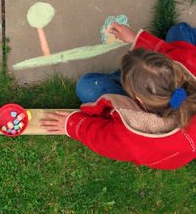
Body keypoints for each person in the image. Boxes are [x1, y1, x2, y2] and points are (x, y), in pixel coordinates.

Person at [40, 22, 196, 170]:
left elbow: (100, 137)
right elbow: (173, 54)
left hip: (169, 151)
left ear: (137, 98)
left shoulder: (135, 136)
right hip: (171, 95)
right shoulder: (188, 62)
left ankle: (136, 76)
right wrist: (137, 39)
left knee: (86, 87)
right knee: (179, 30)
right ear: (175, 70)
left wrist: (72, 125)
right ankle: (140, 75)